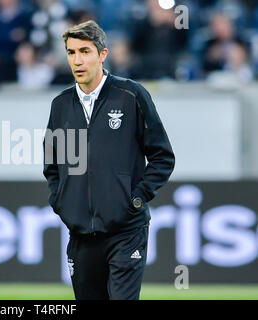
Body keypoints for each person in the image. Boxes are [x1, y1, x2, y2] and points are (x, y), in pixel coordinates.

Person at [43, 20, 175, 300]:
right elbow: (53, 165)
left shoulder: (131, 95)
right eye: (71, 52)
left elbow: (162, 157)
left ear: (103, 55)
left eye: (85, 51)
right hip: (81, 235)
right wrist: (63, 203)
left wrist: (136, 199)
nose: (77, 60)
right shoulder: (61, 105)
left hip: (126, 230)